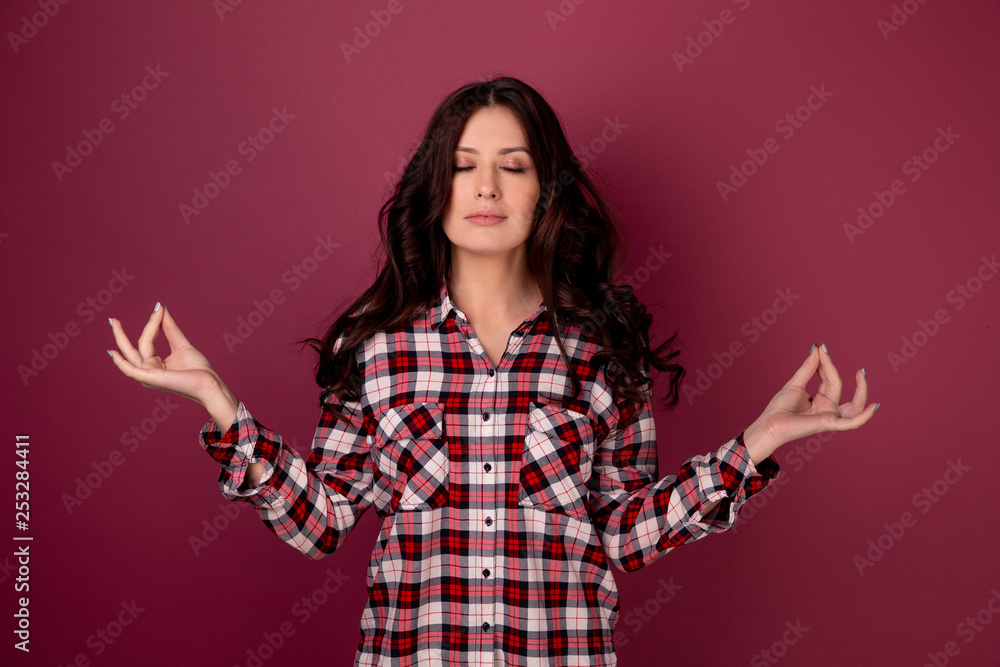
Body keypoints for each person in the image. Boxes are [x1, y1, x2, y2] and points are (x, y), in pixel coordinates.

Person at [107, 76, 878, 666]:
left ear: (546, 189)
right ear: (434, 188)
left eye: (512, 166)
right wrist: (218, 402)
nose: (485, 187)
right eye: (464, 165)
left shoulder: (600, 350)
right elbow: (325, 520)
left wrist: (757, 444)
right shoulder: (373, 347)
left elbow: (621, 530)